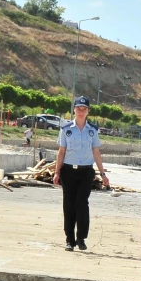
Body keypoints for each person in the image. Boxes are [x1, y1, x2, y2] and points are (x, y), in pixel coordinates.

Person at [52, 96, 108, 251]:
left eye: (84, 109)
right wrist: (57, 172)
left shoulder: (93, 130)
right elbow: (61, 152)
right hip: (69, 171)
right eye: (78, 108)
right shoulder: (66, 129)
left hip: (86, 172)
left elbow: (96, 152)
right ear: (74, 110)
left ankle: (81, 238)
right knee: (68, 205)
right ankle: (69, 240)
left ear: (88, 111)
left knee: (82, 204)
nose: (81, 111)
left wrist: (103, 174)